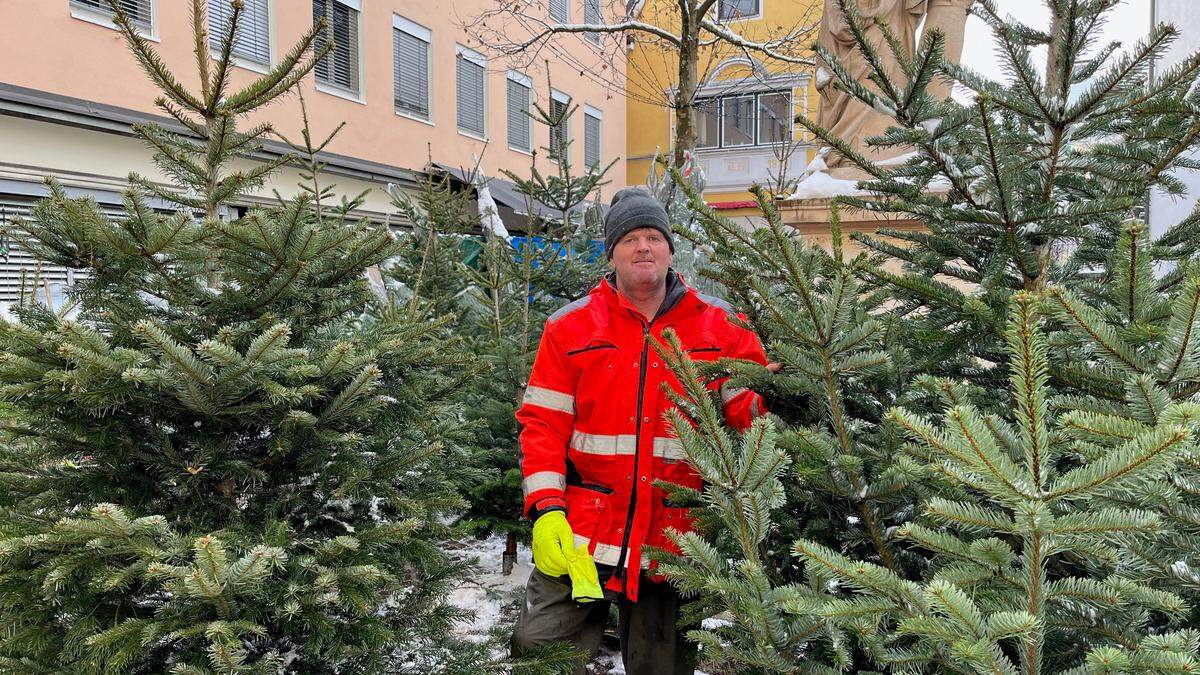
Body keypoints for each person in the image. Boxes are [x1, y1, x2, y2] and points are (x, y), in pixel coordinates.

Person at [510, 187, 772, 673]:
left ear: (671, 249)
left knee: (663, 667)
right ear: (612, 253)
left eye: (654, 236)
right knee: (539, 651)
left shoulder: (719, 325)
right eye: (630, 238)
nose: (644, 247)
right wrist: (546, 511)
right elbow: (541, 425)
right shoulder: (569, 328)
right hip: (584, 532)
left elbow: (750, 411)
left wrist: (792, 394)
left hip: (672, 538)